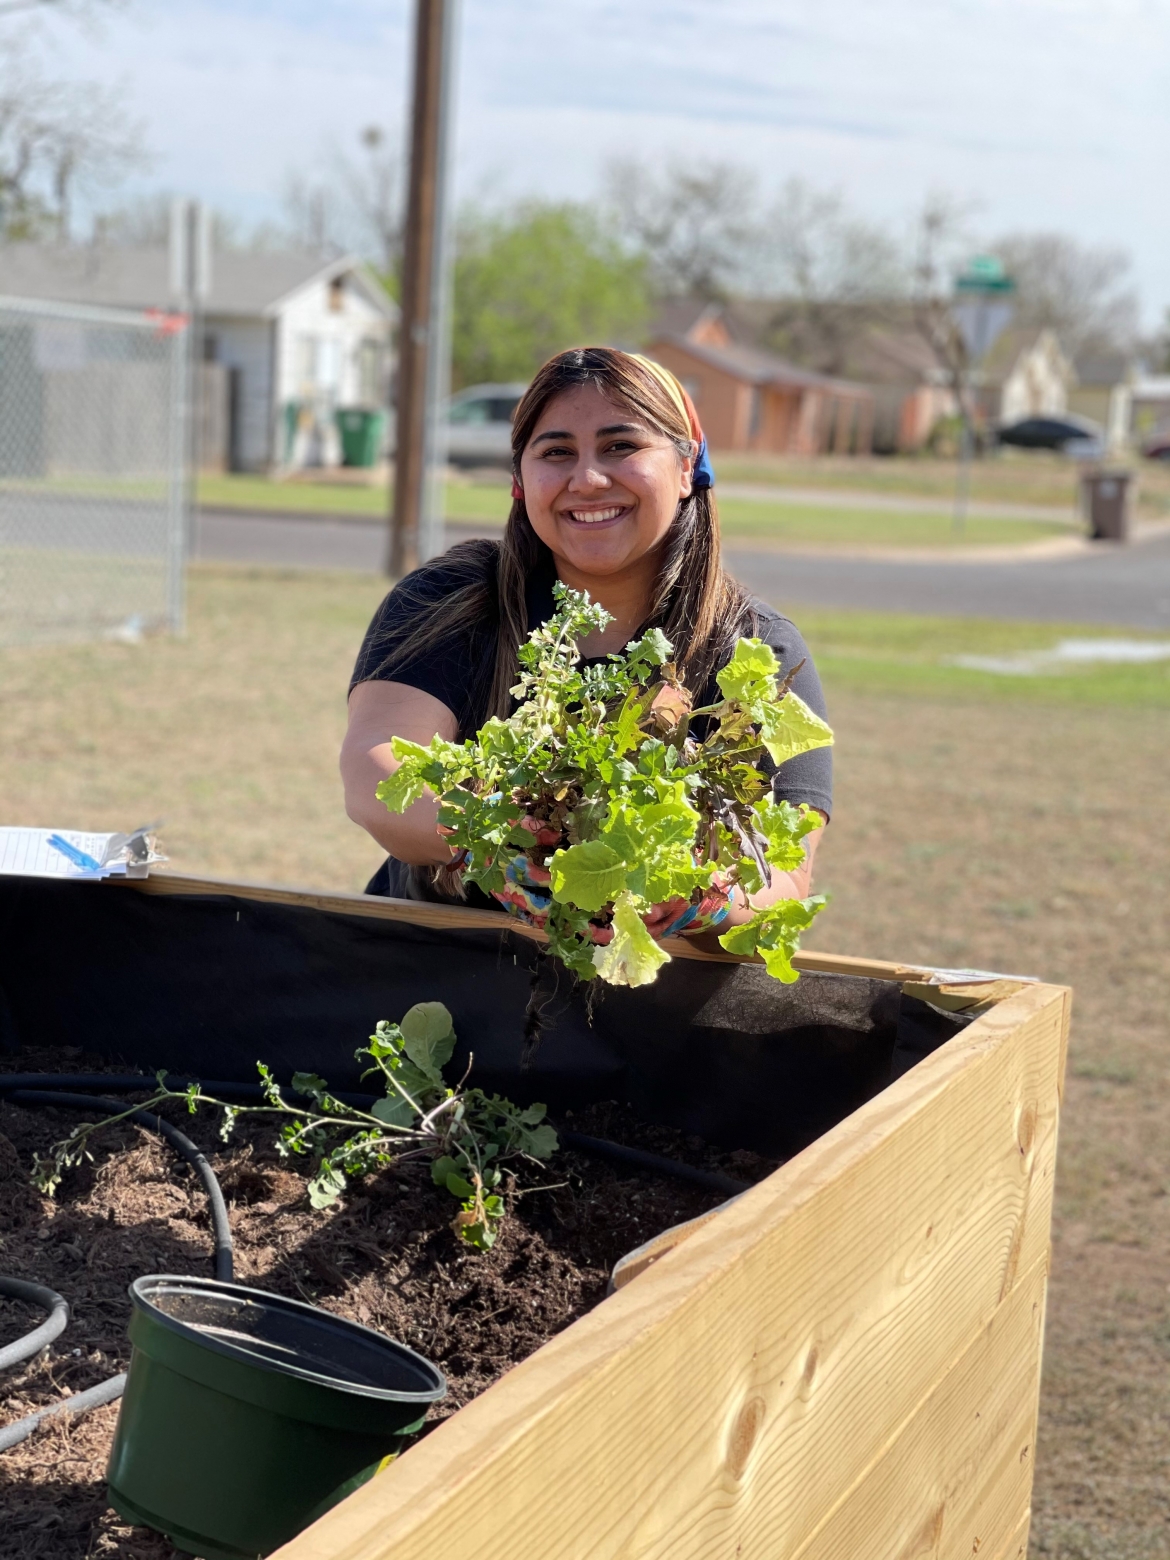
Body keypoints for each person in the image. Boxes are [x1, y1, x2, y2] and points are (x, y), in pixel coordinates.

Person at [341, 346, 831, 943]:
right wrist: (509, 838)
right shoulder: (451, 601)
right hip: (433, 972)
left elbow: (786, 874)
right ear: (521, 480)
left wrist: (704, 898)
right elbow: (376, 772)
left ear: (686, 469)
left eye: (621, 446)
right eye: (556, 452)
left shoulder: (757, 649)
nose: (588, 478)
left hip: (638, 1018)